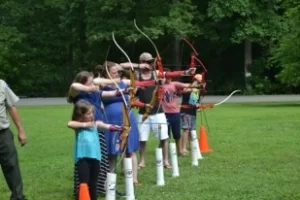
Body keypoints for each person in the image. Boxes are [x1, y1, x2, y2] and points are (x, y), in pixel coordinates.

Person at [120, 52, 196, 169]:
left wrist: (185, 72)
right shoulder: (136, 74)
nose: (151, 64)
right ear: (142, 62)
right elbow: (121, 66)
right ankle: (142, 161)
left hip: (158, 111)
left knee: (164, 137)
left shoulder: (156, 74)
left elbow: (169, 74)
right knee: (142, 138)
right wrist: (138, 67)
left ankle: (165, 160)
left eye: (152, 62)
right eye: (148, 62)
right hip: (143, 111)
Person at [67, 71, 131, 197]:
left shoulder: (95, 93)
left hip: (98, 129)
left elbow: (112, 93)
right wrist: (90, 86)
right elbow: (74, 86)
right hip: (85, 130)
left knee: (99, 160)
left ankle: (102, 187)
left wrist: (125, 91)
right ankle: (83, 191)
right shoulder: (78, 94)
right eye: (90, 82)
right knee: (85, 162)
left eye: (92, 82)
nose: (93, 85)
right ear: (84, 83)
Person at [101, 61, 155, 185]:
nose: (117, 74)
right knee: (112, 152)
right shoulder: (102, 84)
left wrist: (156, 81)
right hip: (111, 121)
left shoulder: (124, 82)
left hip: (128, 119)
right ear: (106, 73)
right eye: (113, 72)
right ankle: (110, 179)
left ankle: (134, 178)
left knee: (130, 150)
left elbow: (143, 83)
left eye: (118, 72)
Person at [67, 100, 122, 200]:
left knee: (93, 184)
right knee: (84, 183)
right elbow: (69, 123)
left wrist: (118, 128)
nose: (92, 115)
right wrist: (85, 125)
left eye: (92, 113)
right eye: (88, 114)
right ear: (81, 115)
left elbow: (107, 126)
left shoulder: (95, 124)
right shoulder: (79, 127)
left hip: (96, 159)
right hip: (82, 160)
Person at [160, 69, 200, 155]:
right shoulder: (159, 86)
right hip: (164, 114)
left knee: (177, 135)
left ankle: (180, 150)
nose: (169, 78)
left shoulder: (174, 84)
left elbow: (186, 86)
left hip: (175, 113)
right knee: (165, 135)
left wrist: (195, 84)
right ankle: (163, 151)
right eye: (167, 76)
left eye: (170, 76)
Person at [0, 79, 27, 200]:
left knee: (11, 166)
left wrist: (20, 130)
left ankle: (18, 197)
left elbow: (11, 107)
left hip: (3, 134)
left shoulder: (1, 84)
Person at [179, 74, 204, 155]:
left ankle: (192, 147)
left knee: (191, 130)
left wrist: (198, 106)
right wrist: (191, 89)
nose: (201, 84)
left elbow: (196, 102)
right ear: (195, 80)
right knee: (186, 130)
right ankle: (183, 148)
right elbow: (181, 92)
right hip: (185, 112)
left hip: (192, 112)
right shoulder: (188, 88)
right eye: (200, 82)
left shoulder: (198, 91)